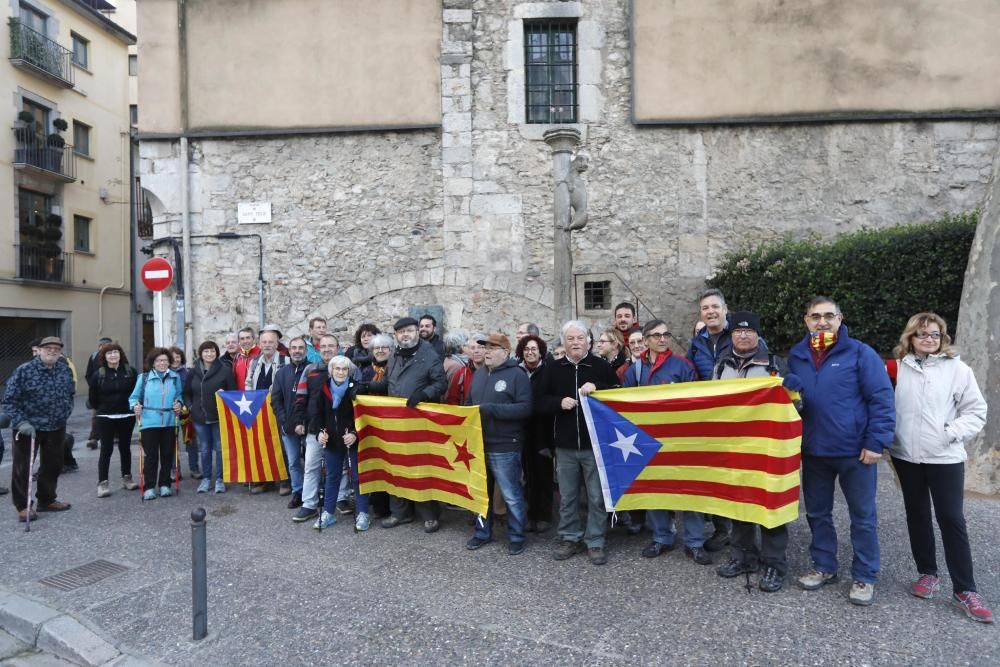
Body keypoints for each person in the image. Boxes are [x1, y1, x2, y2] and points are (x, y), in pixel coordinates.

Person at [788, 296, 894, 606]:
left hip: (854, 452)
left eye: (828, 316)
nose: (822, 322)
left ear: (840, 318)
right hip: (815, 451)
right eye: (815, 316)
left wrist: (876, 442)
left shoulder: (861, 353)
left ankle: (864, 575)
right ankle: (824, 567)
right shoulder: (796, 356)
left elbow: (882, 399)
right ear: (806, 320)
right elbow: (795, 404)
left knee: (863, 517)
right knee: (818, 513)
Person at [889, 313, 992, 623]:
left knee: (951, 518)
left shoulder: (958, 369)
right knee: (917, 515)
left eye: (935, 334)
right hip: (906, 455)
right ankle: (927, 573)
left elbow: (976, 411)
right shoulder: (895, 369)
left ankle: (965, 590)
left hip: (944, 456)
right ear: (910, 338)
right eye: (922, 335)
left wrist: (949, 432)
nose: (929, 340)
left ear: (942, 337)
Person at [712, 312, 799, 592]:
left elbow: (796, 406)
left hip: (767, 450)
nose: (743, 335)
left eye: (749, 332)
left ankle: (774, 563)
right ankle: (743, 556)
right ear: (732, 334)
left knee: (770, 507)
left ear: (757, 335)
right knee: (738, 504)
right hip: (734, 449)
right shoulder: (721, 365)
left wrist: (793, 393)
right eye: (738, 331)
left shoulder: (775, 364)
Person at [623, 320, 709, 564]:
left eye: (666, 335)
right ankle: (662, 537)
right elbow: (623, 405)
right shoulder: (634, 371)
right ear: (647, 340)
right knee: (655, 490)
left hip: (682, 442)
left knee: (689, 491)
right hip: (649, 443)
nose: (662, 339)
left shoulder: (683, 366)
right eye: (656, 335)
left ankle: (695, 542)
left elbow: (696, 404)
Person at [535, 320, 619, 565]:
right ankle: (569, 537)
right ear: (563, 341)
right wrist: (558, 403)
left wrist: (599, 387)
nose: (575, 343)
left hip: (595, 445)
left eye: (579, 338)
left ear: (588, 341)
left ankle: (595, 541)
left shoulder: (600, 365)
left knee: (596, 496)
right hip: (565, 445)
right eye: (570, 338)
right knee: (568, 496)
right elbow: (539, 401)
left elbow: (618, 393)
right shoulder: (553, 368)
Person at [369, 317, 448, 532]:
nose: (405, 335)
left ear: (416, 332)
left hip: (418, 422)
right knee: (396, 466)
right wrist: (370, 386)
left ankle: (429, 515)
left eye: (410, 331)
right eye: (401, 332)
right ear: (396, 335)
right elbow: (391, 382)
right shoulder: (395, 355)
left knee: (421, 467)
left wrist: (424, 393)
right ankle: (400, 513)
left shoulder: (429, 354)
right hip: (395, 422)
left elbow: (441, 383)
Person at [464, 334, 532, 555]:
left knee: (511, 494)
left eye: (493, 348)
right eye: (485, 348)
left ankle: (516, 536)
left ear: (505, 351)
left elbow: (525, 408)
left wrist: (491, 409)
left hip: (505, 445)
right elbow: (470, 403)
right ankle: (482, 533)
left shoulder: (517, 375)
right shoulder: (480, 374)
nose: (487, 352)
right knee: (481, 493)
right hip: (478, 443)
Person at [2, 336, 75, 521]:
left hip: (56, 426)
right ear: (39, 350)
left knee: (53, 465)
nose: (52, 351)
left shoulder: (63, 370)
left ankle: (47, 500)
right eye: (48, 348)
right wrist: (21, 422)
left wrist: (66, 412)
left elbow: (70, 394)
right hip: (28, 428)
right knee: (23, 468)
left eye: (56, 349)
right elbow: (9, 401)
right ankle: (23, 506)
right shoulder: (24, 371)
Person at [686, 288, 735, 551]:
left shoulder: (741, 333)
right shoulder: (697, 342)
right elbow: (691, 376)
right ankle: (721, 529)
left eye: (715, 307)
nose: (710, 312)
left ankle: (742, 534)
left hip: (738, 418)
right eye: (705, 308)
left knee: (736, 474)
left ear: (725, 309)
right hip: (709, 420)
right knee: (714, 475)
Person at [307, 356, 367, 530]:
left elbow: (364, 416)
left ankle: (363, 512)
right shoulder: (322, 387)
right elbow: (315, 413)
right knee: (331, 477)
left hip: (352, 440)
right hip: (332, 439)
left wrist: (355, 434)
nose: (341, 372)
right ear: (331, 370)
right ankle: (328, 512)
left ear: (349, 371)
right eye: (337, 369)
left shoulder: (357, 388)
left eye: (344, 369)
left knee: (357, 477)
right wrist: (319, 432)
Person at [291, 333, 341, 523]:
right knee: (311, 466)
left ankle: (342, 499)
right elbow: (301, 398)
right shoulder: (310, 370)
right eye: (324, 346)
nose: (327, 349)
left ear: (338, 348)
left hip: (339, 427)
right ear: (319, 349)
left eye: (331, 346)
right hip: (315, 427)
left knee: (341, 468)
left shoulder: (346, 367)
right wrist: (299, 421)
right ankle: (309, 504)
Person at [130, 348, 185, 500]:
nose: (162, 363)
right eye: (159, 361)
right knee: (151, 456)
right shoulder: (144, 378)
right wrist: (135, 405)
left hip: (169, 421)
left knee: (167, 455)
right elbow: (133, 398)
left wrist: (179, 403)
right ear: (153, 363)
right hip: (149, 422)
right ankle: (149, 486)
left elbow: (180, 395)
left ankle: (165, 484)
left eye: (165, 360)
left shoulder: (174, 378)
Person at [183, 340, 235, 494]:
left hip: (218, 416)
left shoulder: (225, 370)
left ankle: (220, 479)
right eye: (206, 351)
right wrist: (191, 407)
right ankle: (206, 478)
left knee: (219, 448)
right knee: (205, 448)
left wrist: (224, 397)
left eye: (212, 351)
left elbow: (232, 393)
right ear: (201, 354)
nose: (209, 354)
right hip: (199, 417)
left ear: (217, 353)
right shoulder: (193, 371)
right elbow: (187, 393)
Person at [88, 342, 139, 498]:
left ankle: (127, 478)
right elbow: (93, 398)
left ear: (120, 354)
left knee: (125, 448)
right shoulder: (99, 374)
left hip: (127, 415)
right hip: (105, 416)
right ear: (104, 357)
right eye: (109, 353)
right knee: (106, 449)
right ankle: (103, 483)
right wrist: (105, 408)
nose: (113, 355)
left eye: (115, 352)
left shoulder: (130, 372)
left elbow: (136, 392)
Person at [515, 334, 553, 533]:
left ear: (540, 352)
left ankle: (544, 515)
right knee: (525, 475)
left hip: (542, 432)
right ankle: (529, 514)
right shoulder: (516, 371)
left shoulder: (548, 371)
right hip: (521, 431)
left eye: (534, 349)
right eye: (527, 349)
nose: (530, 352)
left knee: (543, 474)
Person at [245, 325, 289, 493]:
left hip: (279, 410)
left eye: (271, 341)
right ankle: (265, 480)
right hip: (259, 411)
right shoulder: (255, 362)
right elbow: (248, 383)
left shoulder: (286, 361)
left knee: (281, 446)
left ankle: (285, 481)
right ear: (260, 344)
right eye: (264, 342)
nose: (267, 345)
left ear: (277, 343)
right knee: (262, 445)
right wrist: (249, 400)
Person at [270, 336, 310, 508]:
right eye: (293, 348)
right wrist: (283, 421)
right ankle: (298, 492)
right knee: (293, 462)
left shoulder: (312, 370)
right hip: (288, 426)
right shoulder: (281, 373)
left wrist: (307, 422)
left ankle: (313, 492)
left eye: (300, 348)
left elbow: (316, 400)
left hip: (309, 426)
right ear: (289, 350)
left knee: (311, 463)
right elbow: (276, 400)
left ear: (306, 351)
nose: (297, 351)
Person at [169, 346, 198, 480]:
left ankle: (194, 468)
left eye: (178, 356)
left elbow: (192, 391)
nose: (175, 359)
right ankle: (175, 470)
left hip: (186, 412)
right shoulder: (165, 373)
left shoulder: (188, 372)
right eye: (172, 357)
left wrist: (190, 406)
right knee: (171, 442)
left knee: (190, 440)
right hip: (170, 412)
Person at [84, 336, 113, 449]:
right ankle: (94, 438)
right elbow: (88, 374)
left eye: (106, 346)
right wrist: (94, 386)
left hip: (114, 391)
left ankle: (115, 435)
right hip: (99, 392)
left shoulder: (116, 356)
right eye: (102, 346)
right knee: (96, 415)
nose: (103, 348)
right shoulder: (94, 357)